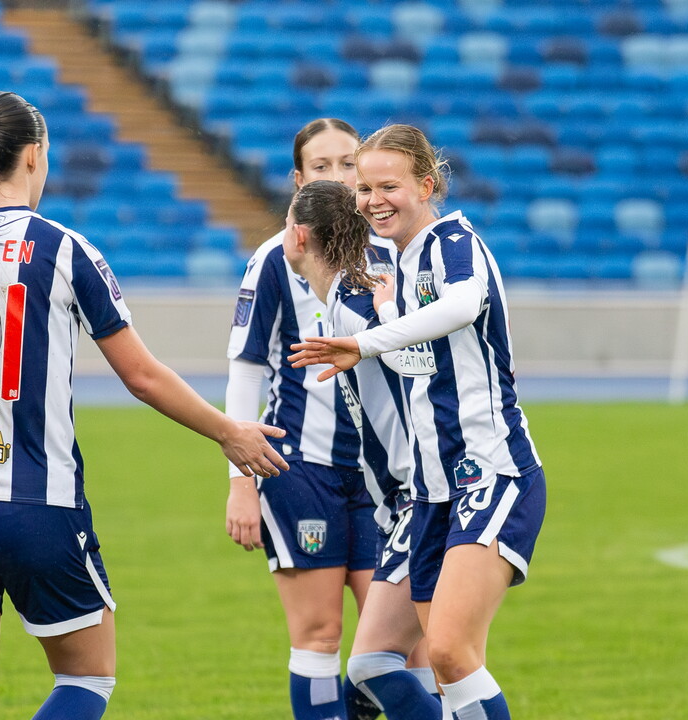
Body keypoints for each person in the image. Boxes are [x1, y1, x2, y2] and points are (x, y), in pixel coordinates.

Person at [0, 90, 288, 720]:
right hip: (36, 502)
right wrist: (228, 432)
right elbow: (142, 377)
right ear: (33, 156)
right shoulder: (65, 249)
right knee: (86, 682)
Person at [289, 124, 547, 720]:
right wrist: (380, 324)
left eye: (389, 186)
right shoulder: (394, 268)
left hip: (491, 470)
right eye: (363, 189)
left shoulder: (454, 241)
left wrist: (367, 340)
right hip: (432, 493)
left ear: (427, 185)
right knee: (405, 664)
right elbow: (417, 362)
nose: (374, 200)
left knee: (453, 652)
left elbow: (460, 306)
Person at [224, 119, 385, 720]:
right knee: (320, 633)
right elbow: (245, 370)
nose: (339, 177)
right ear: (299, 181)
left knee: (396, 637)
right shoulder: (273, 259)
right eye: (323, 167)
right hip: (299, 470)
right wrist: (241, 481)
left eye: (350, 164)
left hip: (382, 478)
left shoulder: (390, 253)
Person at [281, 179, 443, 720]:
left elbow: (417, 357)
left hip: (417, 494)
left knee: (380, 665)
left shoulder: (354, 305)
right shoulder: (346, 299)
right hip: (405, 498)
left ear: (299, 236)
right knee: (394, 662)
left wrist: (391, 318)